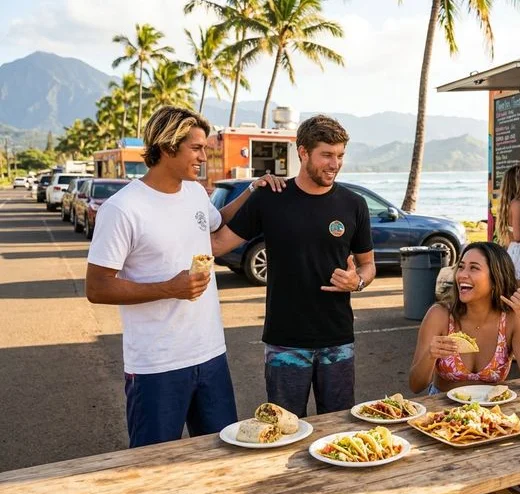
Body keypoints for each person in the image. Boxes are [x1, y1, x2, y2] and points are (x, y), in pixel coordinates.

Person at [85, 106, 283, 447]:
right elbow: (97, 287)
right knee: (154, 465)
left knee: (221, 455)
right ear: (167, 147)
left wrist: (252, 191)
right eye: (197, 148)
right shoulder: (122, 208)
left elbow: (216, 227)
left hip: (210, 355)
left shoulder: (193, 192)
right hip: (156, 364)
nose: (204, 157)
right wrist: (169, 288)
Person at [210, 114, 376, 418]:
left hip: (337, 340)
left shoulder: (354, 204)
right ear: (302, 152)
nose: (335, 164)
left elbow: (368, 265)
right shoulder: (271, 198)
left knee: (339, 427)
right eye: (326, 154)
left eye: (339, 156)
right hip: (285, 342)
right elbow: (216, 244)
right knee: (284, 429)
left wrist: (358, 282)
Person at [408, 242, 520, 494]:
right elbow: (415, 385)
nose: (462, 275)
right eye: (461, 267)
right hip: (443, 421)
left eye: (474, 268)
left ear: (495, 276)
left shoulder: (510, 319)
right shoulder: (440, 315)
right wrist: (430, 356)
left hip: (492, 421)